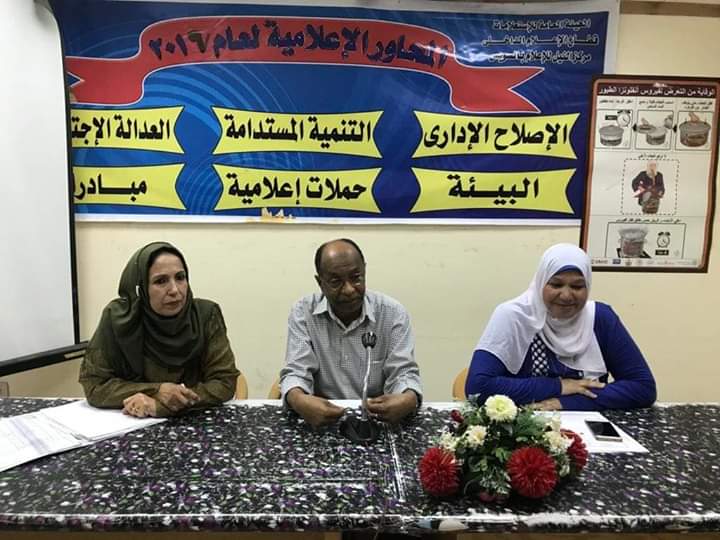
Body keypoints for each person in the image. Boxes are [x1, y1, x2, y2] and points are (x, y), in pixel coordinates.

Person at [465, 243, 656, 411]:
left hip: (587, 426)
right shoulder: (514, 316)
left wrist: (567, 402)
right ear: (541, 282)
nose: (566, 295)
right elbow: (478, 388)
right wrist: (560, 386)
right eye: (556, 285)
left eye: (577, 287)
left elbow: (643, 388)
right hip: (525, 424)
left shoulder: (600, 318)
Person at [79, 241, 240, 417]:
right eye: (161, 281)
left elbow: (224, 383)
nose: (175, 290)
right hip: (129, 423)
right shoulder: (118, 319)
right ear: (140, 288)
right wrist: (156, 390)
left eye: (180, 277)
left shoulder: (205, 315)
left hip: (194, 422)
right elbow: (95, 386)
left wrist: (160, 407)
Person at [280, 238, 422, 427]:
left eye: (356, 278)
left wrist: (408, 399)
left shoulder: (392, 313)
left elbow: (403, 373)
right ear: (320, 282)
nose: (348, 289)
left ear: (365, 272)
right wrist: (298, 400)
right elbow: (297, 371)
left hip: (376, 422)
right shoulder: (303, 313)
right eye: (336, 282)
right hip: (322, 421)